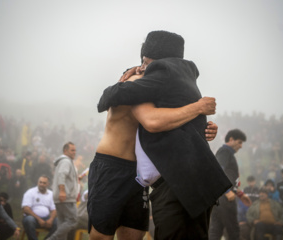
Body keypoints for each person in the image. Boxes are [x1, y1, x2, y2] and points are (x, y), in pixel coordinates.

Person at [96, 30, 231, 239]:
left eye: (146, 62)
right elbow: (150, 117)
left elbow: (152, 120)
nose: (142, 67)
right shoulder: (156, 81)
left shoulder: (162, 79)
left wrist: (199, 118)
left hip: (174, 181)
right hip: (122, 167)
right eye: (141, 62)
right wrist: (199, 113)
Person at [89, 77, 218, 240]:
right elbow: (152, 121)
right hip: (112, 165)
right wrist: (198, 108)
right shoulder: (137, 83)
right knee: (101, 235)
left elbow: (174, 119)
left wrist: (203, 127)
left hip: (138, 174)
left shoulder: (161, 86)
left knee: (134, 235)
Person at [209, 129, 247, 240]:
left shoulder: (227, 153)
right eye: (239, 142)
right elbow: (217, 171)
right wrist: (226, 191)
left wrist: (240, 194)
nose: (241, 146)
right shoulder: (225, 151)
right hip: (225, 198)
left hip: (219, 198)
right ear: (231, 139)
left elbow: (229, 178)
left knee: (216, 230)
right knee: (233, 231)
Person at [48, 142, 78, 240]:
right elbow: (62, 175)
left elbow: (65, 176)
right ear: (65, 151)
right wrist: (62, 191)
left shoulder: (64, 161)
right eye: (72, 150)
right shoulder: (66, 161)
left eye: (75, 150)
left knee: (62, 223)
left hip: (61, 196)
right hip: (66, 197)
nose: (75, 152)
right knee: (72, 220)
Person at [22, 175, 57, 240]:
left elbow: (54, 210)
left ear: (48, 184)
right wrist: (39, 219)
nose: (41, 184)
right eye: (40, 182)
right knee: (29, 220)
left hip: (46, 219)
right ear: (37, 182)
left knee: (58, 222)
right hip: (32, 218)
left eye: (44, 183)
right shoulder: (30, 192)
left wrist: (51, 219)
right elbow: (26, 209)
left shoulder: (51, 194)